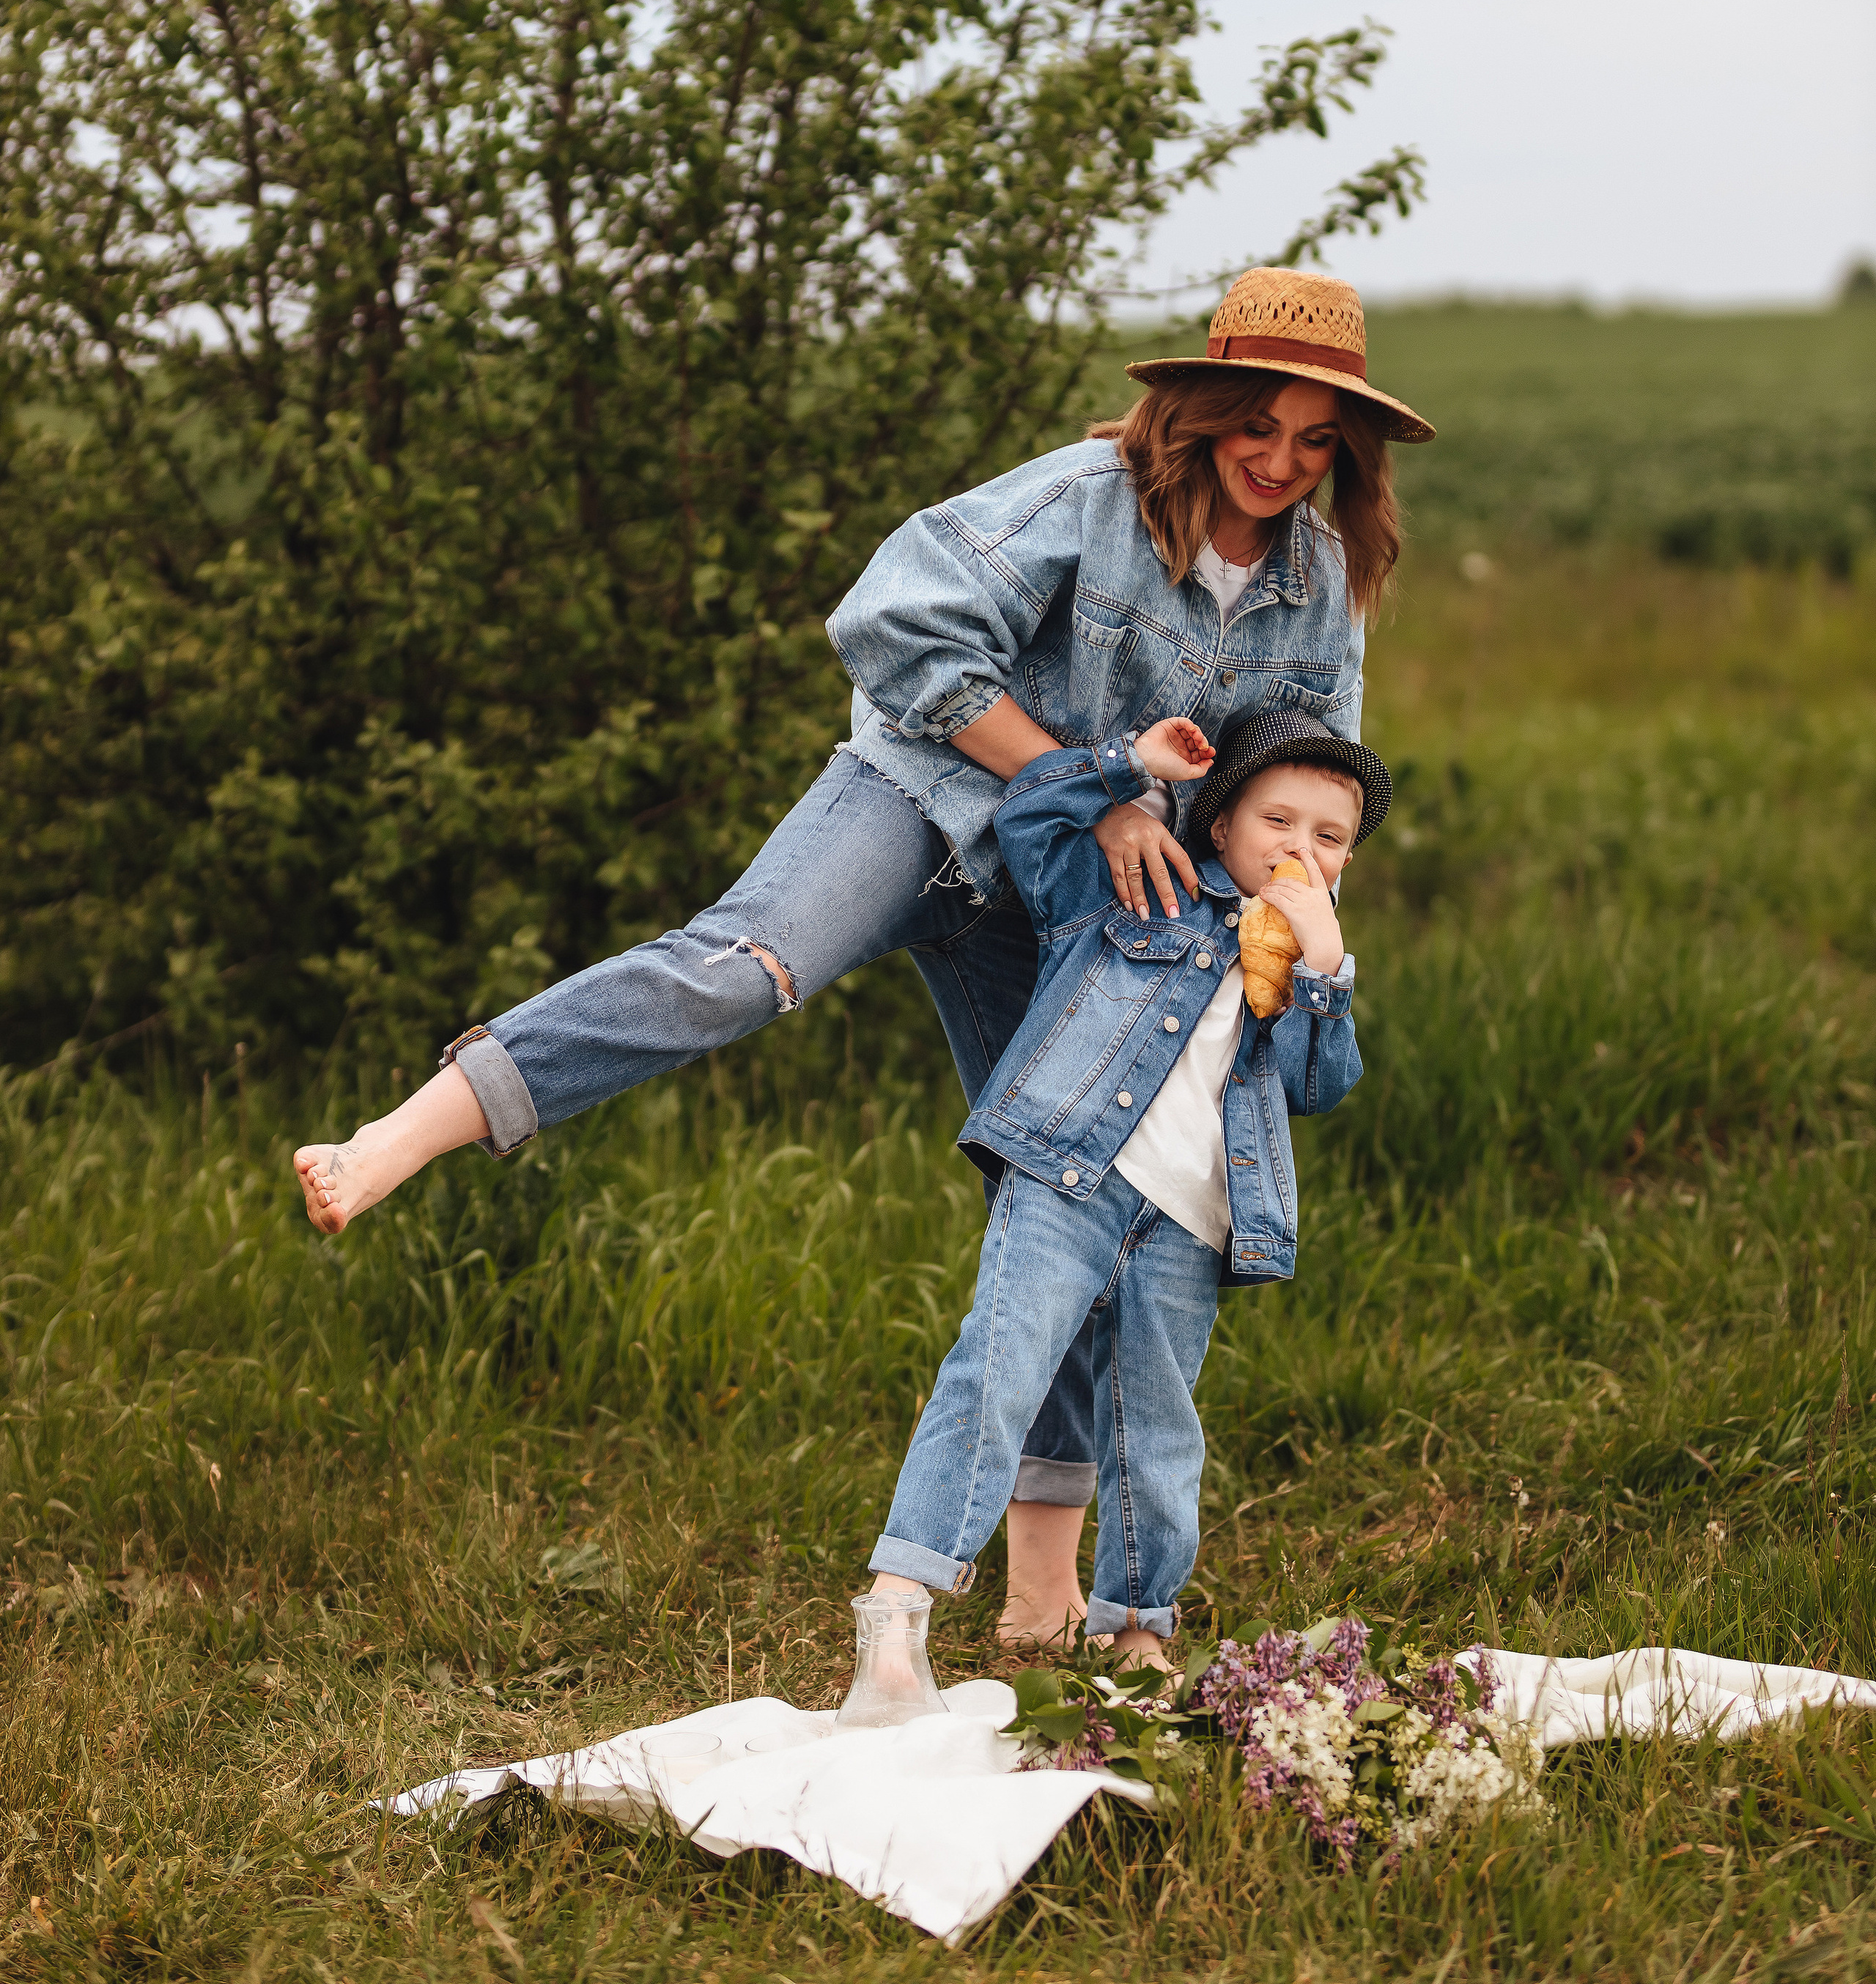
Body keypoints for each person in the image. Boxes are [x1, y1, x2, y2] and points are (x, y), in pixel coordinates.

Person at [292, 265, 1433, 1643]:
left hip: (1074, 894)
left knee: (1084, 1174)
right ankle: (395, 1139)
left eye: (1318, 440)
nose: (1280, 460)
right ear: (1201, 407)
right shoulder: (1088, 497)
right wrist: (1094, 779)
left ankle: (1037, 1604)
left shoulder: (1321, 593)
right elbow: (894, 623)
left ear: (1349, 454)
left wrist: (1292, 919)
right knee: (734, 970)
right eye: (1261, 422)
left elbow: (1302, 783)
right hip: (925, 802)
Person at [863, 704, 1389, 1673]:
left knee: (1155, 1429)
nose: (1301, 850)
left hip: (1190, 1223)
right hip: (1070, 1175)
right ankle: (902, 1600)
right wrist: (1123, 771)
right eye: (1279, 822)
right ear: (1222, 822)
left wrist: (1326, 965)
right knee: (999, 1368)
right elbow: (1027, 818)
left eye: (1331, 838)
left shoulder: (1296, 970)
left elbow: (1321, 1086)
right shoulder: (1135, 896)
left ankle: (1138, 1627)